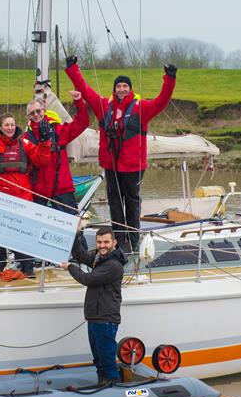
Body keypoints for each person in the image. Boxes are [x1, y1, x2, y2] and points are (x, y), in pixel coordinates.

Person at [65, 56, 177, 252]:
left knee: (132, 204)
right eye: (119, 86)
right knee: (115, 203)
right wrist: (72, 68)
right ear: (114, 89)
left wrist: (170, 78)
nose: (122, 89)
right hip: (111, 165)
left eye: (125, 86)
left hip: (133, 166)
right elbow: (85, 90)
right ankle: (119, 240)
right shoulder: (103, 107)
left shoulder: (141, 108)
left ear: (130, 89)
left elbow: (162, 101)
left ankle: (133, 241)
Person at [0, 113, 51, 278]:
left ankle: (27, 266)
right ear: (1, 127)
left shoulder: (24, 143)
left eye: (12, 124)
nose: (10, 128)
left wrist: (45, 142)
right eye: (6, 125)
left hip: (22, 197)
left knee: (23, 233)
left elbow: (41, 159)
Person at [60, 227, 127, 385]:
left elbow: (88, 279)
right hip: (95, 317)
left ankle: (114, 394)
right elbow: (80, 255)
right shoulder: (99, 257)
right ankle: (102, 388)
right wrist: (78, 234)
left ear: (114, 243)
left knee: (107, 362)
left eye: (106, 242)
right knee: (98, 360)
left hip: (105, 319)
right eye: (99, 242)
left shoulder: (113, 265)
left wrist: (70, 267)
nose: (102, 245)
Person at [24, 91, 90, 215]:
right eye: (32, 113)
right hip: (39, 193)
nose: (36, 115)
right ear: (28, 117)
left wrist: (79, 102)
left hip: (62, 190)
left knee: (72, 229)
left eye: (38, 111)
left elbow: (82, 122)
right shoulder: (26, 138)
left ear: (44, 110)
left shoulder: (59, 131)